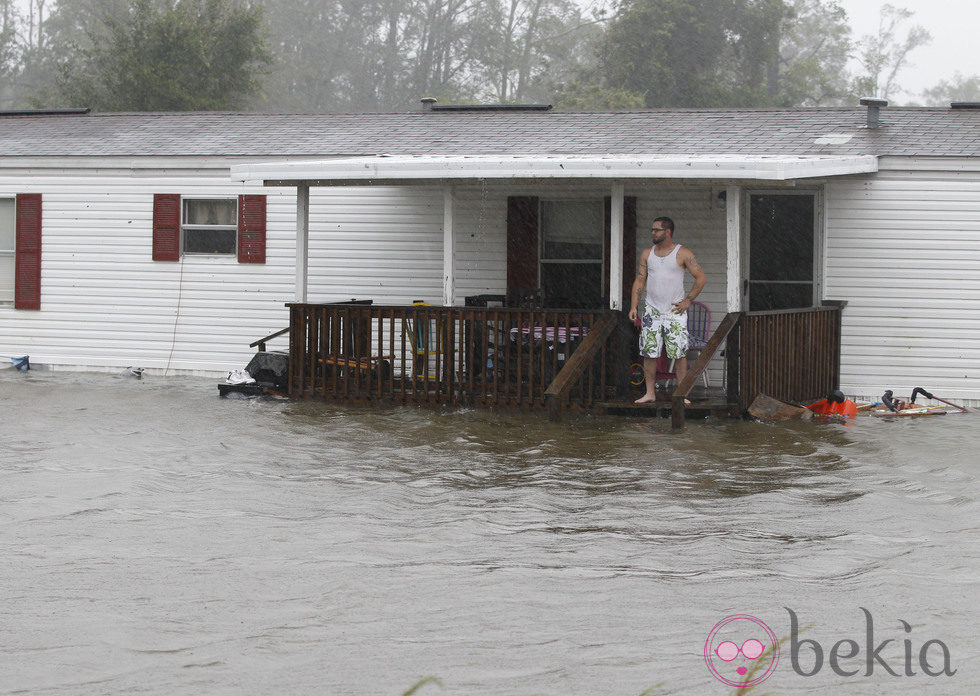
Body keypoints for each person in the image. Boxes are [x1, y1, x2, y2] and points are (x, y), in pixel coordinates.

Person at [628, 216, 707, 404]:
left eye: (657, 230)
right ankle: (649, 393)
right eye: (652, 230)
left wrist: (688, 300)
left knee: (678, 353)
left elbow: (701, 278)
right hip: (652, 311)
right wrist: (634, 306)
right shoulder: (648, 254)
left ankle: (681, 394)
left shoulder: (683, 253)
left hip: (674, 311)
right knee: (649, 352)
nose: (653, 233)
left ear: (668, 231)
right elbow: (640, 280)